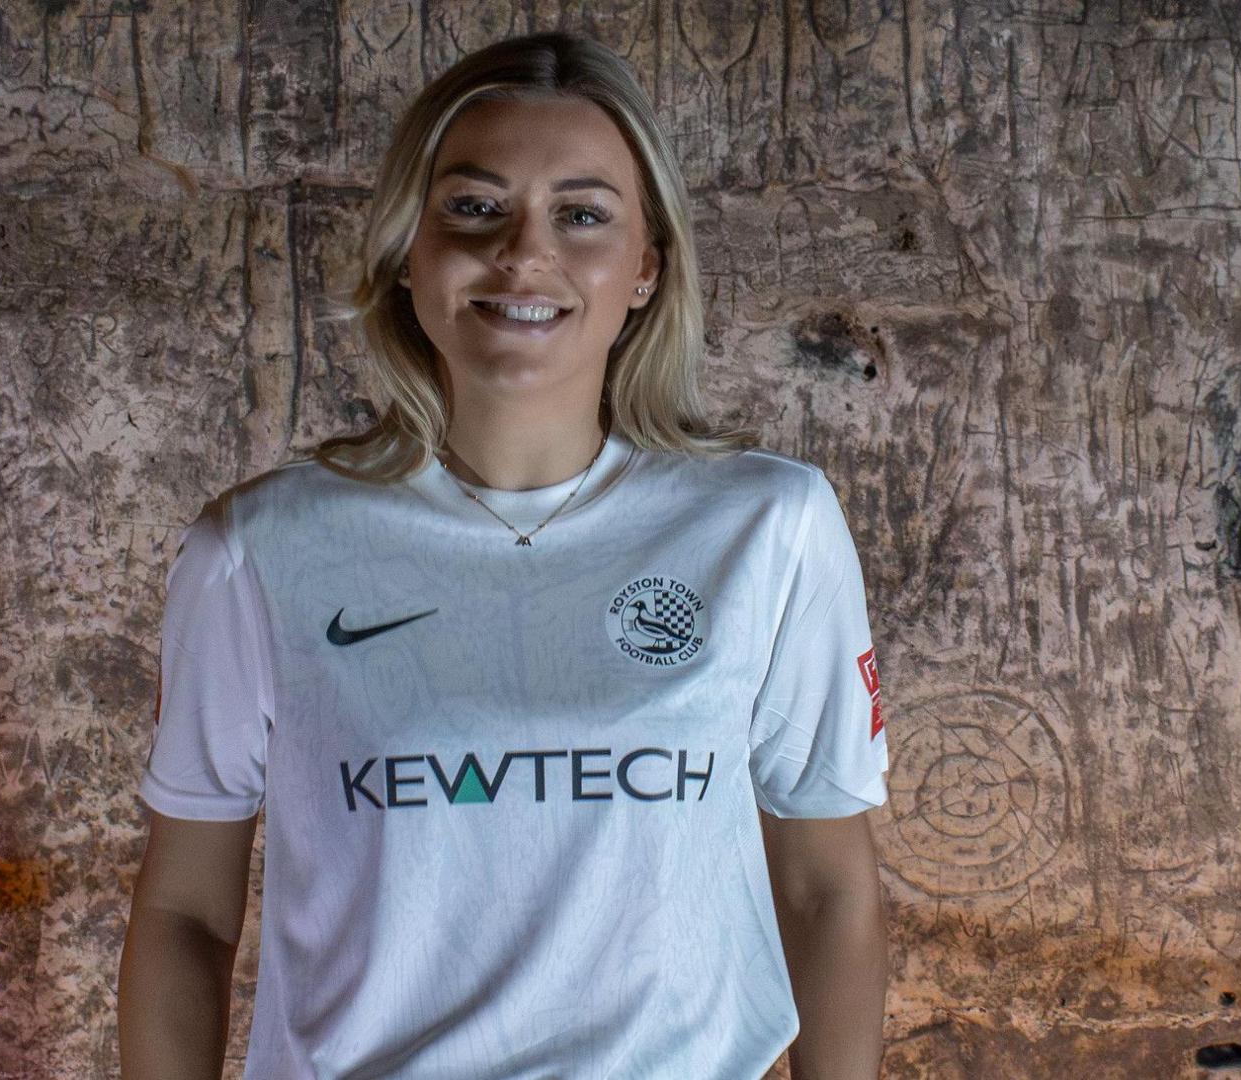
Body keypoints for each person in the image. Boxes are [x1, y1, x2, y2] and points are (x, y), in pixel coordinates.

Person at [118, 31, 891, 1080]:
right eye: (475, 209)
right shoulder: (260, 552)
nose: (525, 256)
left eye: (581, 217)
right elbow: (185, 912)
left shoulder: (770, 528)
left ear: (646, 267)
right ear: (409, 252)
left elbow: (826, 891)